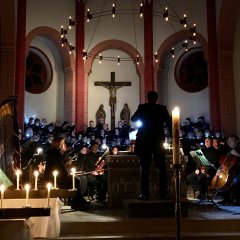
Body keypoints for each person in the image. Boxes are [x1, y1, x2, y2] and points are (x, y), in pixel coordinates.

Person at [131, 90, 172, 200]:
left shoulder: (143, 107)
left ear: (147, 98)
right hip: (158, 141)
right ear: (157, 99)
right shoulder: (162, 108)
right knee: (162, 168)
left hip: (144, 141)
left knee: (145, 169)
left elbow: (133, 118)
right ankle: (163, 193)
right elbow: (170, 123)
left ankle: (145, 194)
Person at [44, 136, 89, 210]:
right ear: (59, 144)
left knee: (75, 180)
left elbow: (59, 165)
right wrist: (67, 174)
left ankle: (78, 200)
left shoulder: (53, 152)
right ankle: (77, 202)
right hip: (54, 177)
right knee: (76, 181)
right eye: (63, 143)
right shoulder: (56, 153)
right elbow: (61, 167)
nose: (65, 144)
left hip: (54, 176)